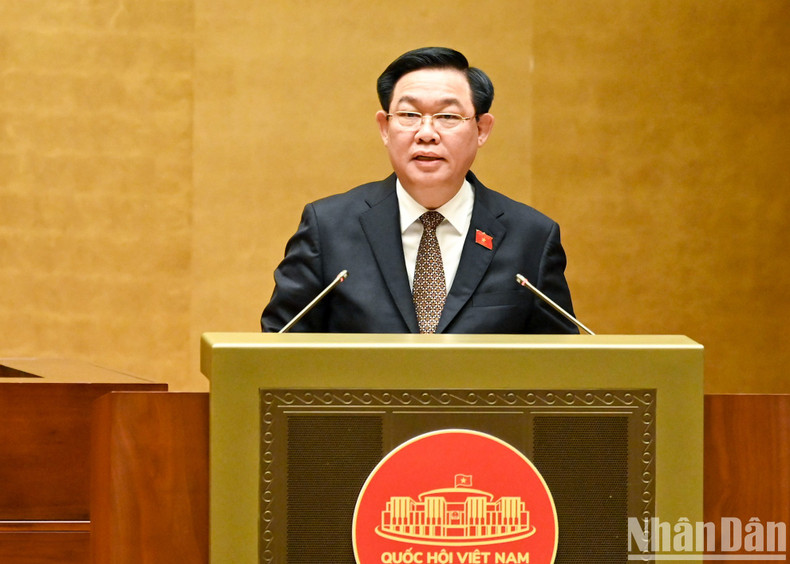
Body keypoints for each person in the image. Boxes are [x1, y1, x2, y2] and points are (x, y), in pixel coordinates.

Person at [261, 47, 578, 334]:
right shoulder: (327, 227)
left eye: (448, 116)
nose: (426, 133)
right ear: (385, 128)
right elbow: (277, 347)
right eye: (410, 115)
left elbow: (563, 367)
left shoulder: (531, 237)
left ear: (482, 129)